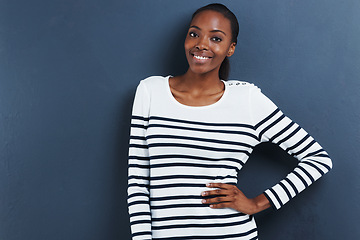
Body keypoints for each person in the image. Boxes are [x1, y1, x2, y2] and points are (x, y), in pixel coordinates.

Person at [127, 3, 332, 240]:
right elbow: (138, 184)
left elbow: (318, 160)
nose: (201, 44)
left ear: (230, 48)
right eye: (194, 34)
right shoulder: (150, 91)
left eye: (216, 38)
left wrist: (256, 203)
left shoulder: (247, 100)